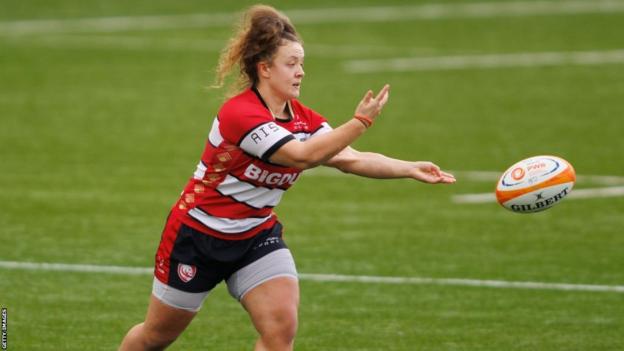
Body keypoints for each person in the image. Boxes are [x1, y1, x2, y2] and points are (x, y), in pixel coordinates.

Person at [118, 4, 455, 351]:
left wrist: (409, 168)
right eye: (291, 64)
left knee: (281, 332)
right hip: (198, 236)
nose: (301, 72)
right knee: (156, 337)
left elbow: (348, 158)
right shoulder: (240, 114)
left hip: (256, 237)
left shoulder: (303, 120)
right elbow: (302, 156)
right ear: (264, 69)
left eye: (302, 64)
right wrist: (360, 123)